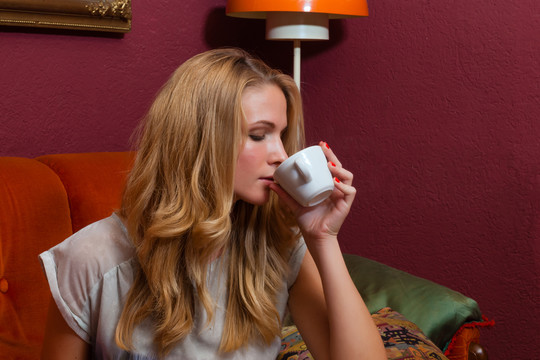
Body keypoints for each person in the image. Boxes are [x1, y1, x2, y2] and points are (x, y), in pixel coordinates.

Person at [39, 48, 386, 360]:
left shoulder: (277, 247)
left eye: (281, 135)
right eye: (258, 135)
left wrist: (323, 239)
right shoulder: (90, 259)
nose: (281, 155)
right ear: (201, 140)